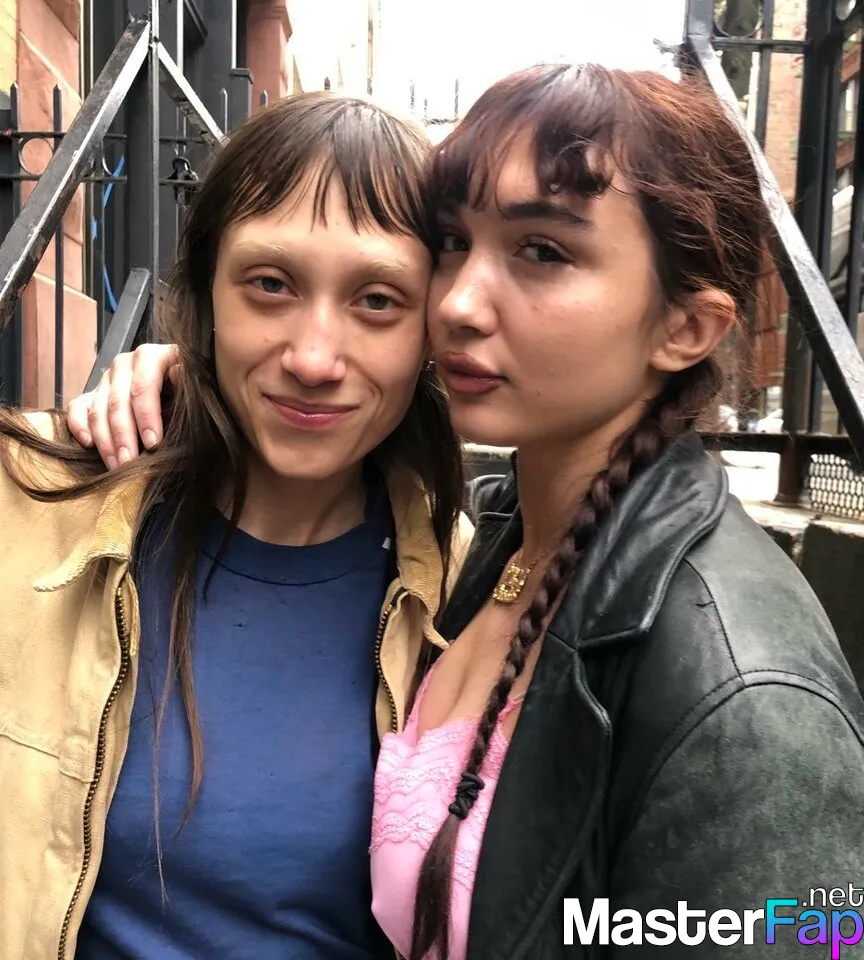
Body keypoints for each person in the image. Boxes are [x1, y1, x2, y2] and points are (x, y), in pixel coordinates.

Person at [78, 63, 864, 960]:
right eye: (453, 242)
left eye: (543, 252)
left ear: (685, 327)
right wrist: (199, 383)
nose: (455, 303)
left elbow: (817, 925)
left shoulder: (750, 690)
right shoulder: (491, 545)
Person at [0, 92, 473, 960]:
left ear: (432, 332)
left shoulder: (469, 590)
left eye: (377, 300)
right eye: (270, 285)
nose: (313, 358)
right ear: (207, 294)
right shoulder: (30, 505)